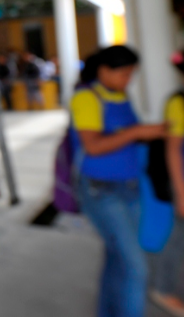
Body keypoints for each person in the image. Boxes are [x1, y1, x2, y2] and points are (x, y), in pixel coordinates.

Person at [72, 46, 165, 317]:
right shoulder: (86, 98)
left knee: (117, 259)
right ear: (103, 71)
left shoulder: (120, 94)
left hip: (130, 188)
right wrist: (136, 131)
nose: (128, 79)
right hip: (101, 192)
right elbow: (93, 146)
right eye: (124, 73)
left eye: (131, 74)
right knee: (137, 268)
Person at [150, 50, 184, 315]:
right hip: (183, 180)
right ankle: (163, 288)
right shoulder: (178, 103)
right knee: (178, 237)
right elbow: (172, 150)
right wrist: (181, 194)